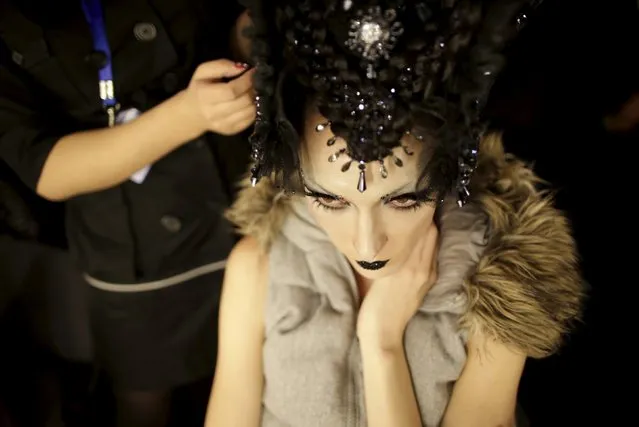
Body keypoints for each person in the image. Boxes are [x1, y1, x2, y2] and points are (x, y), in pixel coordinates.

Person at [204, 1, 585, 426]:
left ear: (446, 173)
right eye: (331, 200)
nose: (367, 244)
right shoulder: (258, 267)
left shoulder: (502, 286)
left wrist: (382, 344)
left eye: (403, 201)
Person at [0, 0, 253, 426]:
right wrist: (190, 114)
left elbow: (226, 28)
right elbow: (45, 167)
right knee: (144, 392)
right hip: (132, 246)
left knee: (246, 369)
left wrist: (252, 39)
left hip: (240, 200)